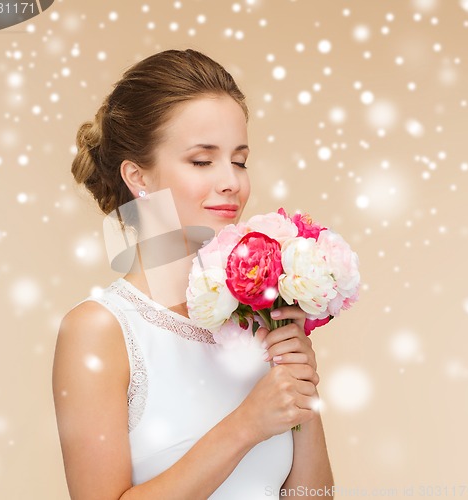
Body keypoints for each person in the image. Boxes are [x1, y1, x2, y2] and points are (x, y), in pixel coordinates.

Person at [52, 49, 334, 500]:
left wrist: (301, 392)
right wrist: (245, 426)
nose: (231, 182)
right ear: (137, 177)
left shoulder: (258, 322)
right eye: (203, 161)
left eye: (239, 160)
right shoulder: (100, 331)